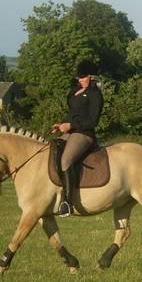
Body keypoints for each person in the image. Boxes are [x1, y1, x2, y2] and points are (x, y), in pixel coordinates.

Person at [50, 59, 104, 217]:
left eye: (82, 77)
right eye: (78, 77)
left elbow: (92, 121)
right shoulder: (75, 91)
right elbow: (73, 115)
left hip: (84, 134)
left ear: (91, 77)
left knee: (66, 160)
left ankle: (67, 202)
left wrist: (71, 126)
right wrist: (62, 125)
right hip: (71, 132)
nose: (79, 80)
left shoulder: (95, 94)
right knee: (52, 150)